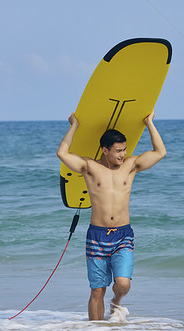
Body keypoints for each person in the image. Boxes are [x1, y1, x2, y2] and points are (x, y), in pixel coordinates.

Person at [57, 111, 166, 320]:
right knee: (97, 291)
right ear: (105, 150)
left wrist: (149, 123)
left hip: (123, 235)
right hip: (97, 236)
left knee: (123, 283)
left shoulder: (131, 166)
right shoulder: (90, 167)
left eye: (124, 150)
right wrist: (74, 125)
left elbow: (160, 152)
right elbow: (62, 153)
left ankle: (116, 302)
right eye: (117, 151)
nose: (122, 154)